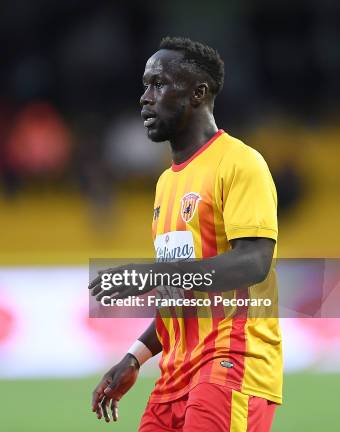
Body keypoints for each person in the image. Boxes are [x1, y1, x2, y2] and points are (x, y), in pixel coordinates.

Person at [89, 37, 281, 431]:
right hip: (174, 376)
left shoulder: (240, 163)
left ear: (198, 93)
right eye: (145, 85)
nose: (145, 97)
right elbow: (182, 290)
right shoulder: (165, 184)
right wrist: (135, 357)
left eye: (158, 84)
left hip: (230, 365)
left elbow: (253, 262)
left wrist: (152, 275)